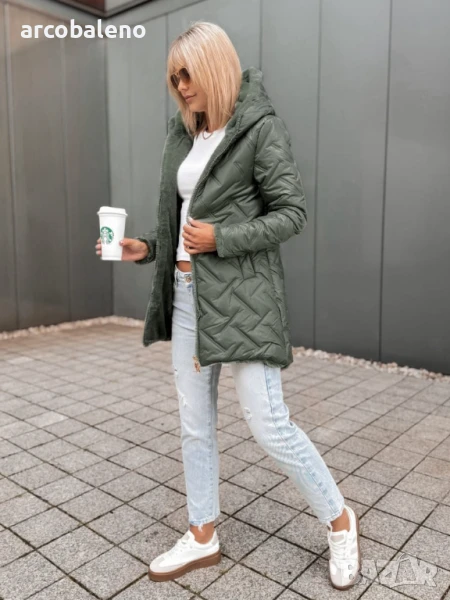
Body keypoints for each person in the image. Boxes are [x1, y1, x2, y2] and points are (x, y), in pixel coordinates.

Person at [96, 20, 360, 591]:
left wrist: (223, 238)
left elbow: (292, 213)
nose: (181, 86)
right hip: (188, 297)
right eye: (174, 77)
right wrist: (146, 247)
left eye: (188, 74)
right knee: (195, 425)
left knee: (269, 424)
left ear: (215, 67)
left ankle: (340, 521)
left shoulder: (260, 129)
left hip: (243, 299)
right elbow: (180, 221)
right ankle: (202, 534)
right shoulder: (184, 132)